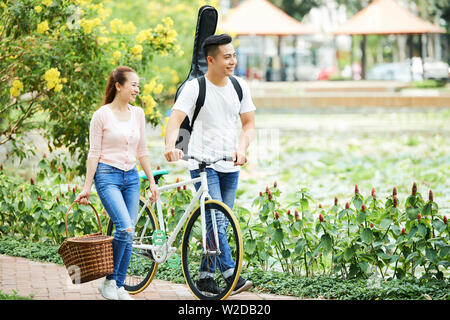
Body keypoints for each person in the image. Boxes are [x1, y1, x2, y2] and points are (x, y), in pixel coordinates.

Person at [164, 34, 255, 295]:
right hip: (203, 163)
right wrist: (171, 146)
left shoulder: (240, 87)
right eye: (227, 57)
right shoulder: (195, 88)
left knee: (221, 224)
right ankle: (231, 274)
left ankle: (205, 276)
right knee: (216, 219)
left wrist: (241, 148)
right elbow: (175, 120)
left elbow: (248, 125)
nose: (233, 61)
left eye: (234, 55)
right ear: (211, 60)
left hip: (230, 164)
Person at [75, 66, 159, 300]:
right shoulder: (101, 115)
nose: (137, 89)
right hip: (107, 176)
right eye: (133, 84)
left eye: (138, 85)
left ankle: (116, 285)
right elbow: (94, 153)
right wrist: (86, 187)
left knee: (129, 233)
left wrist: (151, 181)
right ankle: (112, 282)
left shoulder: (138, 114)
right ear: (118, 86)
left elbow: (142, 150)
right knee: (125, 227)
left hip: (131, 177)